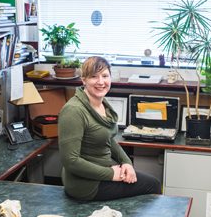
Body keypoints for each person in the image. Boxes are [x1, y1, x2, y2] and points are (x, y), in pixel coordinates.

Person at [58, 56, 161, 201]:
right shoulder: (73, 111)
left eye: (105, 76)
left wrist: (126, 163)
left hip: (103, 169)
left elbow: (108, 138)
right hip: (85, 185)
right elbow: (70, 161)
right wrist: (111, 174)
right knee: (152, 185)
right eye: (94, 77)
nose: (101, 82)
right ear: (84, 80)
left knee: (147, 182)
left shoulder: (101, 104)